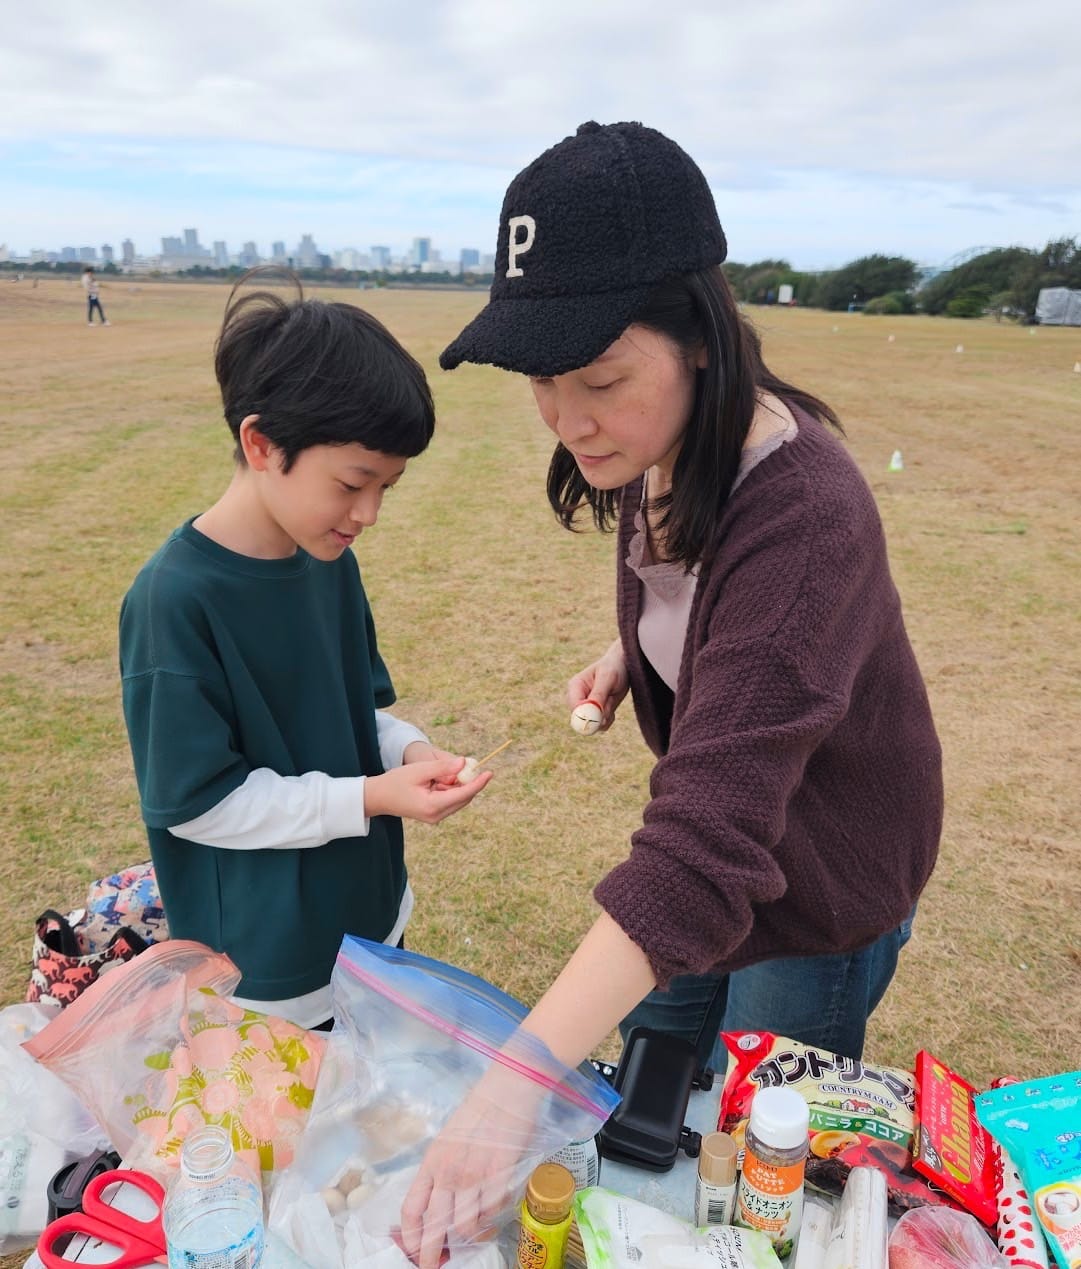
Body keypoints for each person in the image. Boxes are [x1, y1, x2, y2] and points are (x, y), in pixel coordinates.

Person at [400, 121, 942, 1265]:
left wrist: (508, 1088)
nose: (568, 419)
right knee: (649, 1080)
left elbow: (698, 854)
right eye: (543, 383)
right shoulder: (665, 450)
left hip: (815, 885)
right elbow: (697, 603)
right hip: (728, 866)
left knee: (762, 1159)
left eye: (600, 380)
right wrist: (631, 655)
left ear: (700, 339)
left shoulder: (802, 512)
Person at [119, 271, 491, 1029]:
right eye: (355, 482)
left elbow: (357, 713)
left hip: (368, 917)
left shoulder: (327, 561)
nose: (370, 513)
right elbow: (202, 804)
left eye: (387, 485)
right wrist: (370, 796)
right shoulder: (173, 600)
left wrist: (410, 751)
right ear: (262, 443)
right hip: (267, 966)